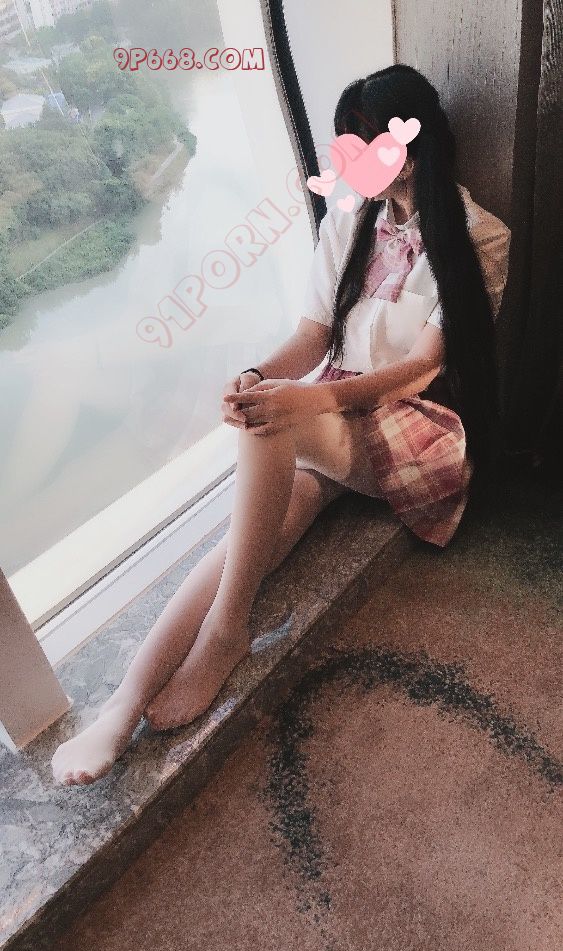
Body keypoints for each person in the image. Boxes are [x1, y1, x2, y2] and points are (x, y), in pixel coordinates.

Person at [51, 64, 510, 786]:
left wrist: (304, 403)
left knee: (271, 426)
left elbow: (422, 368)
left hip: (410, 426)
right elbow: (312, 334)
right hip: (336, 413)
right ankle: (120, 705)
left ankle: (227, 634)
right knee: (247, 533)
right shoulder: (350, 218)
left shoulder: (479, 236)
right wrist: (258, 375)